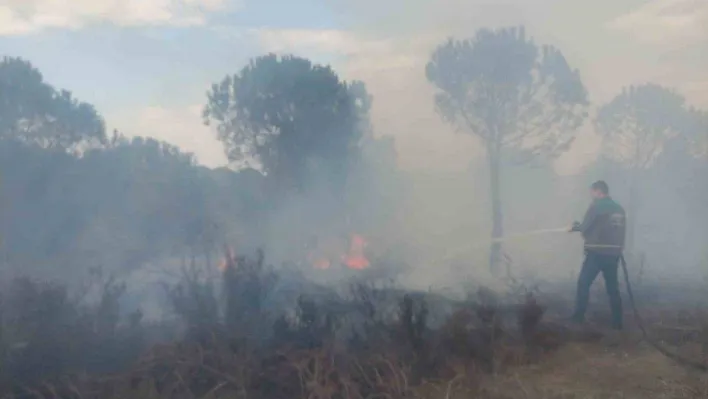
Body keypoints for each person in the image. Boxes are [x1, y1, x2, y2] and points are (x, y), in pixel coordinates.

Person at [569, 180, 626, 330]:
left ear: (598, 191)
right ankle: (617, 322)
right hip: (613, 254)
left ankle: (578, 318)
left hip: (596, 253)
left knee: (583, 284)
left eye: (592, 192)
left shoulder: (596, 207)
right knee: (612, 288)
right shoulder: (619, 209)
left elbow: (585, 228)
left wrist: (575, 227)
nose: (591, 195)